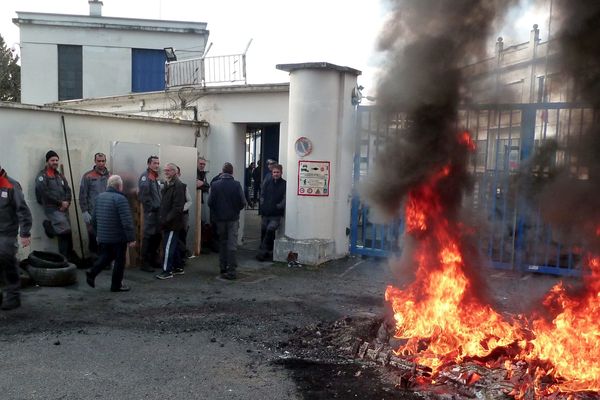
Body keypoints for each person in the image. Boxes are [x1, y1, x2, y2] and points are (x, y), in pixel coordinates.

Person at [85, 175, 136, 292]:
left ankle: (92, 273)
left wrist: (98, 234)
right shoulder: (120, 199)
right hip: (118, 237)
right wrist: (131, 238)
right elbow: (127, 221)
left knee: (106, 256)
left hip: (104, 237)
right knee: (119, 260)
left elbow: (94, 219)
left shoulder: (99, 197)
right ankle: (116, 285)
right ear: (119, 186)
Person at [35, 150, 80, 265]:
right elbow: (44, 193)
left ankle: (64, 258)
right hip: (52, 208)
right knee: (64, 231)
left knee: (66, 232)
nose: (55, 162)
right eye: (52, 160)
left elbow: (68, 190)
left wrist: (67, 202)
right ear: (47, 161)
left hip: (63, 208)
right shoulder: (42, 176)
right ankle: (49, 227)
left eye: (56, 160)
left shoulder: (59, 175)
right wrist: (60, 203)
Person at [0, 162, 32, 310]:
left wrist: (25, 233)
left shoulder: (12, 185)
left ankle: (13, 296)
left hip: (7, 232)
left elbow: (23, 210)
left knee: (7, 260)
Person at [208, 162, 246, 279]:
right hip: (233, 219)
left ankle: (222, 267)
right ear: (232, 172)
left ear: (222, 171)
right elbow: (243, 202)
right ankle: (232, 271)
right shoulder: (236, 185)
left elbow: (210, 203)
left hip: (220, 219)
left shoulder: (215, 185)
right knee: (232, 244)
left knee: (222, 242)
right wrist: (236, 210)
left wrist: (217, 213)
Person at [156, 163, 186, 280]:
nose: (166, 172)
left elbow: (178, 207)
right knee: (174, 245)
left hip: (172, 223)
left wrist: (166, 219)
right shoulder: (168, 184)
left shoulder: (178, 186)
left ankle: (167, 271)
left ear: (174, 171)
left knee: (168, 246)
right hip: (169, 222)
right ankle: (178, 267)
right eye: (165, 170)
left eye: (168, 170)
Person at [79, 152, 110, 257]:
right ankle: (94, 260)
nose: (101, 163)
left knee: (106, 238)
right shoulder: (88, 176)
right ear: (95, 161)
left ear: (105, 161)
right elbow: (82, 195)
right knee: (93, 237)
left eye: (103, 161)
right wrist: (84, 211)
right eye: (99, 161)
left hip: (107, 213)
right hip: (93, 213)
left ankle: (104, 259)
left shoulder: (110, 176)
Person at [257, 163, 286, 262]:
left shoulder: (284, 184)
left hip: (276, 214)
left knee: (270, 230)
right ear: (272, 173)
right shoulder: (267, 182)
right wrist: (262, 203)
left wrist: (279, 206)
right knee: (264, 231)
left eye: (278, 172)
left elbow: (285, 198)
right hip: (266, 213)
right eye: (274, 172)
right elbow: (262, 193)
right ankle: (267, 251)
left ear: (281, 173)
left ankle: (262, 252)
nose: (276, 174)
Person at [138, 155, 162, 272]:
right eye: (154, 163)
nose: (157, 165)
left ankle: (153, 259)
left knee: (156, 236)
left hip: (158, 213)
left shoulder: (155, 177)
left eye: (158, 163)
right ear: (149, 164)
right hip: (151, 213)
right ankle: (144, 263)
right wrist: (151, 208)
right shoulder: (146, 177)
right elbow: (143, 196)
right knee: (148, 237)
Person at [177, 165, 192, 269]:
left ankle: (182, 257)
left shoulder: (183, 186)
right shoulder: (166, 186)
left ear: (179, 174)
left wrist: (182, 209)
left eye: (177, 173)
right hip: (172, 217)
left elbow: (189, 201)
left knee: (182, 236)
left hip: (183, 216)